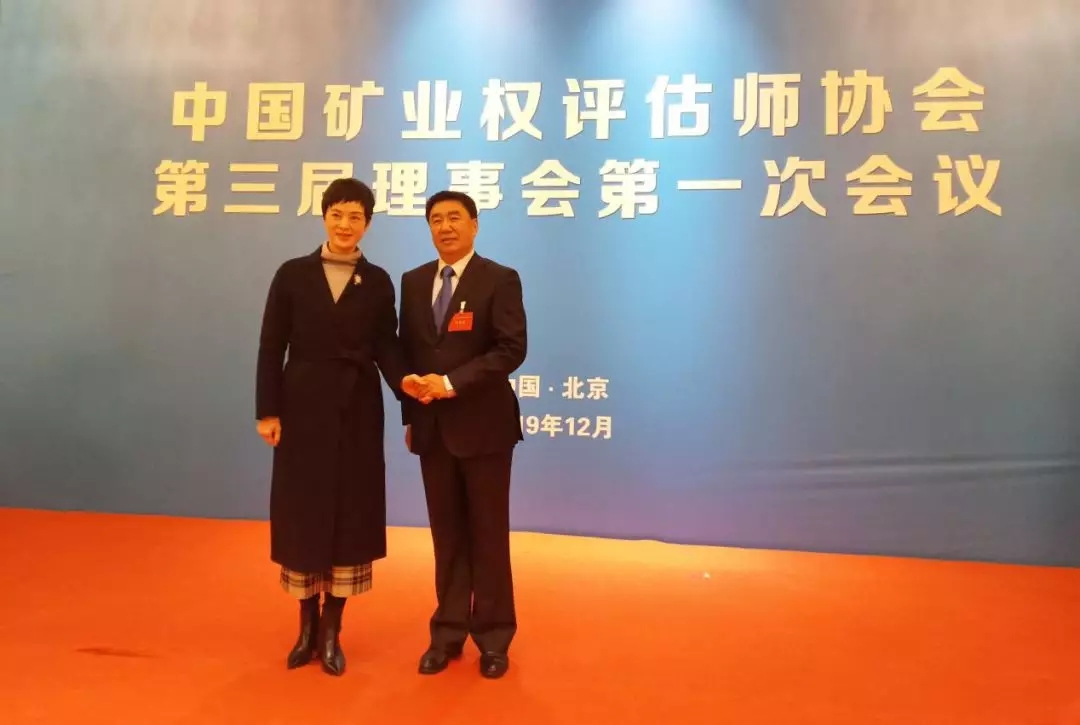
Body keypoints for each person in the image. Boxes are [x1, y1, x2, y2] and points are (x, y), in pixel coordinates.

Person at [254, 177, 419, 677]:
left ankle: (332, 628)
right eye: (337, 215)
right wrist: (268, 410)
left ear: (367, 223)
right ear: (324, 216)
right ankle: (305, 624)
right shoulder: (292, 274)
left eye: (356, 217)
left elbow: (387, 347)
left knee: (351, 511)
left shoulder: (379, 281)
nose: (345, 225)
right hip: (301, 406)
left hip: (357, 409)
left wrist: (408, 391)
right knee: (302, 511)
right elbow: (271, 344)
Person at [397, 190, 527, 679]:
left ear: (474, 224)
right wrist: (411, 415)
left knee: (488, 535)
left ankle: (493, 637)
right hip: (432, 430)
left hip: (485, 428)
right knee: (447, 536)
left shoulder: (499, 278)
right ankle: (447, 633)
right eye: (436, 219)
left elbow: (511, 349)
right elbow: (408, 353)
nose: (445, 227)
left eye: (455, 218)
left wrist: (451, 383)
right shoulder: (413, 282)